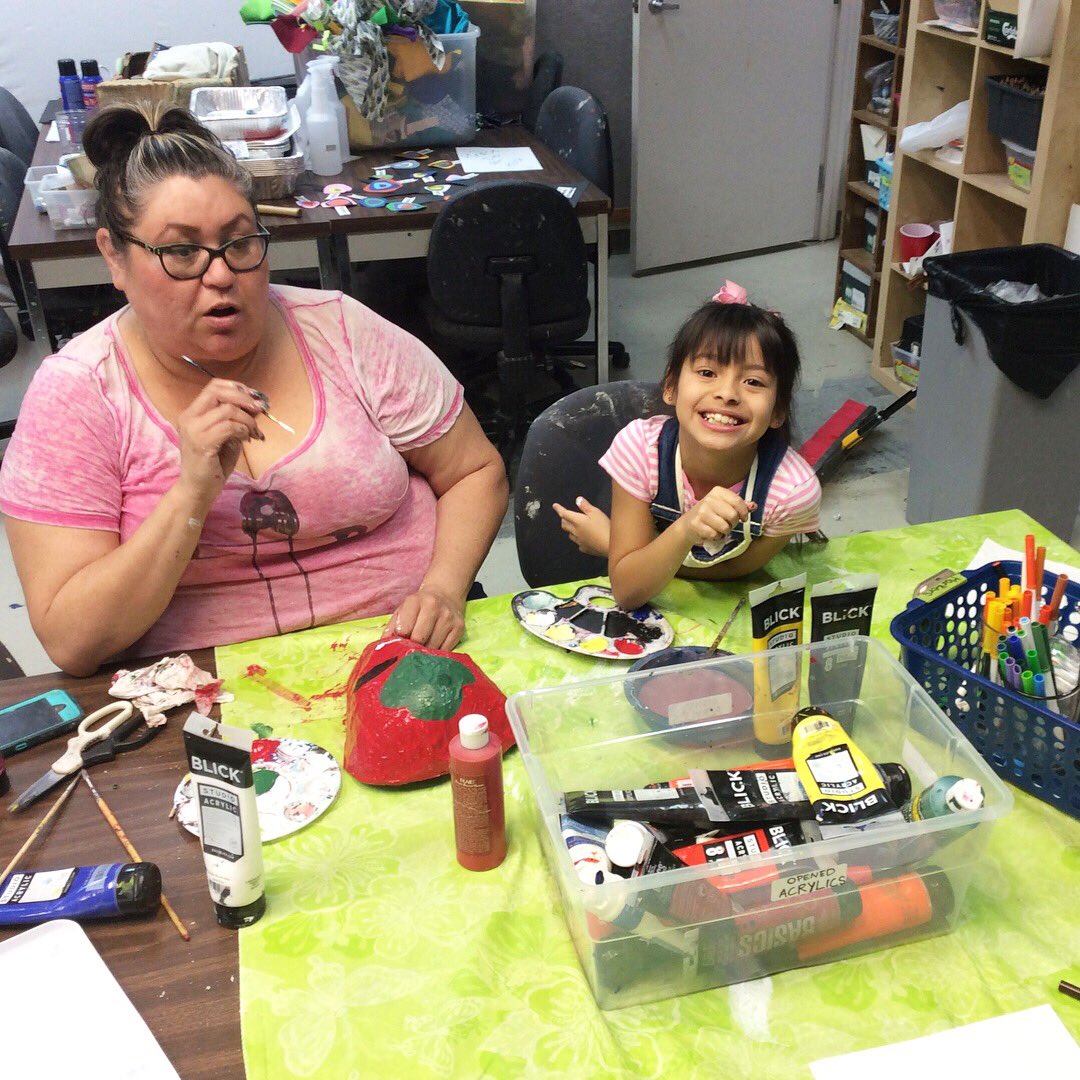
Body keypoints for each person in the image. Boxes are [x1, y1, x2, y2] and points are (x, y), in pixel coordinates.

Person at [0, 103, 507, 676]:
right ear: (114, 256)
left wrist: (443, 589)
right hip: (206, 689)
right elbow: (74, 642)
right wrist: (191, 493)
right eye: (182, 252)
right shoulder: (79, 393)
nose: (220, 274)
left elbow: (473, 471)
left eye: (239, 243)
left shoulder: (341, 330)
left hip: (405, 655)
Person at [554, 282, 820, 610]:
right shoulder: (640, 450)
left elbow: (737, 569)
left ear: (778, 410)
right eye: (707, 372)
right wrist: (686, 530)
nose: (727, 393)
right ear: (671, 387)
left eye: (753, 381)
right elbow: (627, 591)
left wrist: (613, 545)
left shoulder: (792, 492)